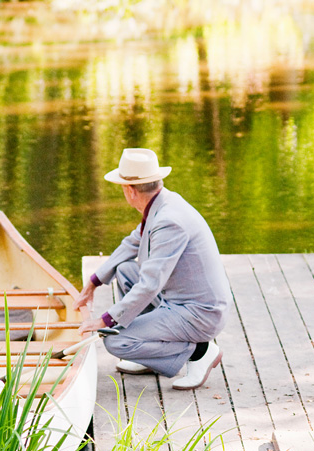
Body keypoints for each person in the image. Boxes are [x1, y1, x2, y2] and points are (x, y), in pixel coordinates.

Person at [74, 148, 231, 390]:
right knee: (126, 270)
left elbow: (149, 285)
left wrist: (106, 320)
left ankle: (200, 351)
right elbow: (132, 243)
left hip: (199, 312)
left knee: (117, 341)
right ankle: (151, 360)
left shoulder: (169, 221)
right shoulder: (163, 203)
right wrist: (94, 282)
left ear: (130, 190)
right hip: (177, 299)